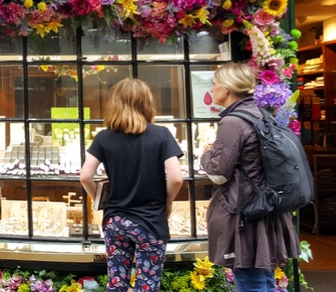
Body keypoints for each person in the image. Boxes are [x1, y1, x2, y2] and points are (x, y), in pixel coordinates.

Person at [201, 63, 300, 292]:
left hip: (243, 212)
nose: (212, 89)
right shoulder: (260, 114)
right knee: (262, 279)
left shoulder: (232, 121)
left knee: (250, 282)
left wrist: (206, 154)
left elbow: (217, 173)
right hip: (264, 209)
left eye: (214, 84)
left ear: (226, 88)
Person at [80, 78, 184, 292]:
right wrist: (167, 200)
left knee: (117, 283)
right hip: (150, 222)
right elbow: (176, 178)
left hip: (116, 221)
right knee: (147, 286)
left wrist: (99, 199)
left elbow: (85, 176)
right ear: (147, 103)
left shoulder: (103, 138)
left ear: (115, 103)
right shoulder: (161, 135)